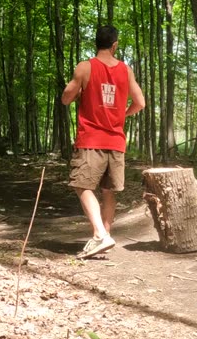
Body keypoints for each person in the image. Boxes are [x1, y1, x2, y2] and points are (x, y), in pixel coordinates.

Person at [60, 25, 145, 258]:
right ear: (115, 44)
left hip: (90, 139)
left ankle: (100, 236)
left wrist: (79, 93)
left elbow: (66, 98)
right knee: (109, 191)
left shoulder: (85, 67)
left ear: (96, 43)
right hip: (116, 141)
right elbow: (140, 103)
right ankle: (104, 237)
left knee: (82, 185)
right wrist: (121, 114)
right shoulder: (126, 71)